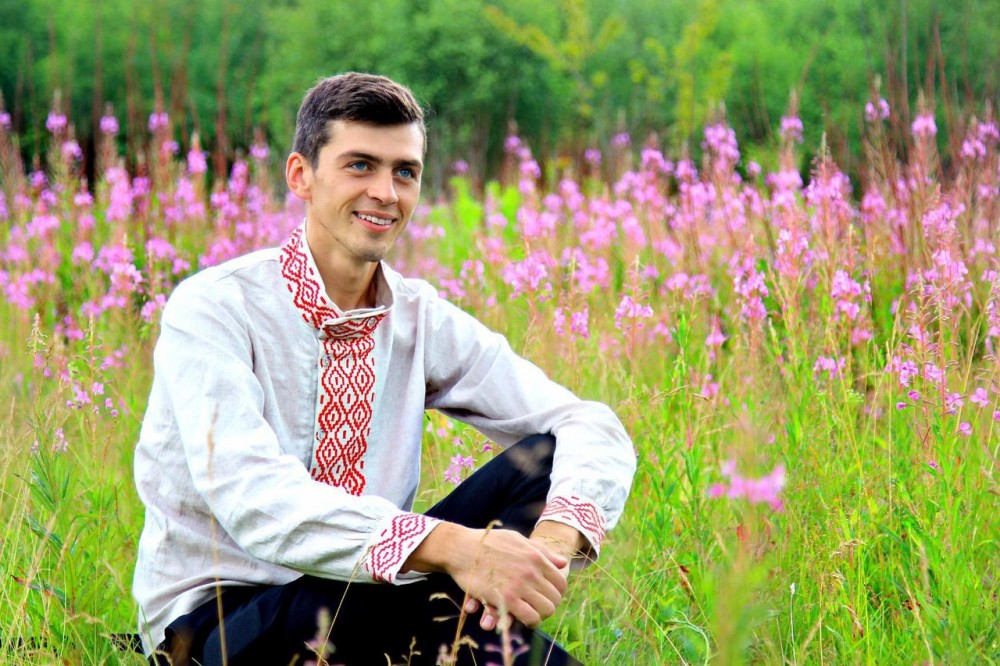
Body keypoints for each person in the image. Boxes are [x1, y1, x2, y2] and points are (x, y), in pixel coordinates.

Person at [132, 72, 635, 665]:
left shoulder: (419, 317)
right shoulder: (216, 306)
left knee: (546, 459)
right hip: (222, 626)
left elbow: (590, 425)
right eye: (359, 166)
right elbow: (253, 497)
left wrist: (543, 547)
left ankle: (463, 622)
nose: (386, 193)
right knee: (420, 595)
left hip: (375, 594)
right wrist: (457, 549)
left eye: (405, 172)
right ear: (301, 175)